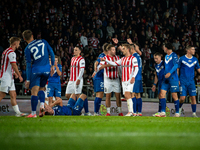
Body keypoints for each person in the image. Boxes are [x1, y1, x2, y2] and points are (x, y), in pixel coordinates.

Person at [23, 30, 55, 118]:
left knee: (34, 92)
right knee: (41, 89)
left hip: (36, 70)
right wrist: (52, 65)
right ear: (33, 36)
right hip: (46, 70)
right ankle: (41, 106)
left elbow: (28, 65)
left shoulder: (27, 49)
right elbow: (51, 53)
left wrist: (28, 79)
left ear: (24, 39)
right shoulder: (43, 41)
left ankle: (33, 113)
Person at [101, 43, 138, 116]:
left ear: (128, 49)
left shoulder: (133, 58)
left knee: (127, 94)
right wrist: (105, 60)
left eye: (123, 49)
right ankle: (132, 112)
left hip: (130, 79)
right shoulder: (122, 59)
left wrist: (133, 76)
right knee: (127, 95)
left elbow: (136, 68)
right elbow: (114, 63)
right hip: (124, 80)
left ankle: (131, 112)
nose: (122, 50)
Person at [0, 37, 27, 117]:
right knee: (2, 95)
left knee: (13, 94)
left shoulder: (6, 51)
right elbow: (13, 64)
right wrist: (19, 75)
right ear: (15, 43)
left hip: (9, 76)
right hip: (6, 77)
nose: (19, 45)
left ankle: (18, 112)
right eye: (18, 43)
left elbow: (8, 64)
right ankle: (18, 112)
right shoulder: (11, 53)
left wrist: (14, 73)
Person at [98, 44, 123, 116]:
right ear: (109, 51)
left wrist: (121, 77)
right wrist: (97, 68)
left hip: (116, 79)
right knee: (108, 96)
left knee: (118, 96)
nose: (114, 51)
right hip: (107, 80)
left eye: (114, 49)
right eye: (113, 50)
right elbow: (100, 67)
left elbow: (119, 67)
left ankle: (119, 111)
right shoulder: (104, 58)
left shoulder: (117, 58)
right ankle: (108, 112)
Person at [65, 46, 90, 115]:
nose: (74, 51)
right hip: (71, 79)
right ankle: (75, 107)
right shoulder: (72, 58)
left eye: (76, 50)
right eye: (74, 50)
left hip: (77, 79)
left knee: (78, 95)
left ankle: (80, 111)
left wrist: (78, 79)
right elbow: (71, 68)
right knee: (67, 94)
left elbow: (82, 70)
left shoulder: (81, 59)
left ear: (79, 51)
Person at [158, 42, 180, 117]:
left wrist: (170, 73)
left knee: (174, 95)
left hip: (173, 78)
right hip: (166, 78)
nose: (163, 49)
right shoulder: (166, 56)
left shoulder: (174, 55)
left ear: (166, 48)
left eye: (164, 47)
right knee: (162, 94)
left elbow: (176, 65)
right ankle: (163, 112)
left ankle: (177, 113)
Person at [178, 46, 200, 117]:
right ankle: (179, 108)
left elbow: (198, 69)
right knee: (182, 98)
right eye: (193, 49)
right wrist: (177, 79)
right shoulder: (181, 59)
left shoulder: (195, 59)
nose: (194, 51)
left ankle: (194, 113)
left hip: (191, 82)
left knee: (193, 97)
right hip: (183, 81)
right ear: (188, 50)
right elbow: (177, 69)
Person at [127, 39, 143, 116]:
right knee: (138, 95)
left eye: (129, 49)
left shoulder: (133, 57)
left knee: (132, 94)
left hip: (135, 77)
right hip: (139, 77)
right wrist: (132, 43)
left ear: (132, 49)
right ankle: (139, 112)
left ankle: (133, 112)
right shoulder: (138, 56)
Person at [92, 43, 109, 116]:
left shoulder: (105, 56)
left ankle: (96, 112)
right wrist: (95, 71)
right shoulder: (102, 55)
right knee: (99, 94)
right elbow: (97, 63)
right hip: (99, 77)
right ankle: (96, 112)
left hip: (102, 77)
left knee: (101, 94)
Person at [151, 52, 165, 116]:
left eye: (156, 58)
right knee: (159, 96)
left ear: (160, 58)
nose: (155, 60)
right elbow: (156, 75)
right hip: (159, 82)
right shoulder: (156, 65)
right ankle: (160, 111)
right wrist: (154, 84)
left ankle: (163, 111)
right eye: (154, 59)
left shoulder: (164, 63)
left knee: (162, 95)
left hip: (165, 82)